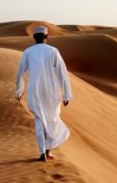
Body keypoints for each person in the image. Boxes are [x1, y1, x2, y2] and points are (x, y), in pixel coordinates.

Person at [15, 26, 73, 162]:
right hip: (52, 92)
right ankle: (48, 150)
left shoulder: (28, 52)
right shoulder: (53, 51)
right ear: (47, 37)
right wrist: (66, 94)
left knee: (39, 121)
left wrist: (19, 91)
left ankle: (42, 153)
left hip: (35, 91)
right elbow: (62, 74)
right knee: (51, 119)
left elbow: (20, 73)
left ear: (34, 38)